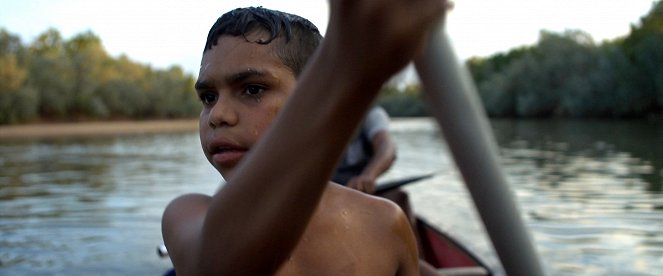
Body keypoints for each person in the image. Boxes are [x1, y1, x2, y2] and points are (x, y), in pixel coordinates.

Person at [161, 1, 447, 275]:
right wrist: (348, 70)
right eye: (208, 97)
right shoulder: (186, 217)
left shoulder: (386, 223)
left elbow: (386, 148)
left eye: (252, 89)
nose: (217, 114)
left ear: (311, 96)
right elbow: (222, 266)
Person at [332, 105, 396, 194]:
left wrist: (368, 175)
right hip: (325, 191)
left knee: (398, 196)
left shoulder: (371, 114)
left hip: (358, 189)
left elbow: (387, 147)